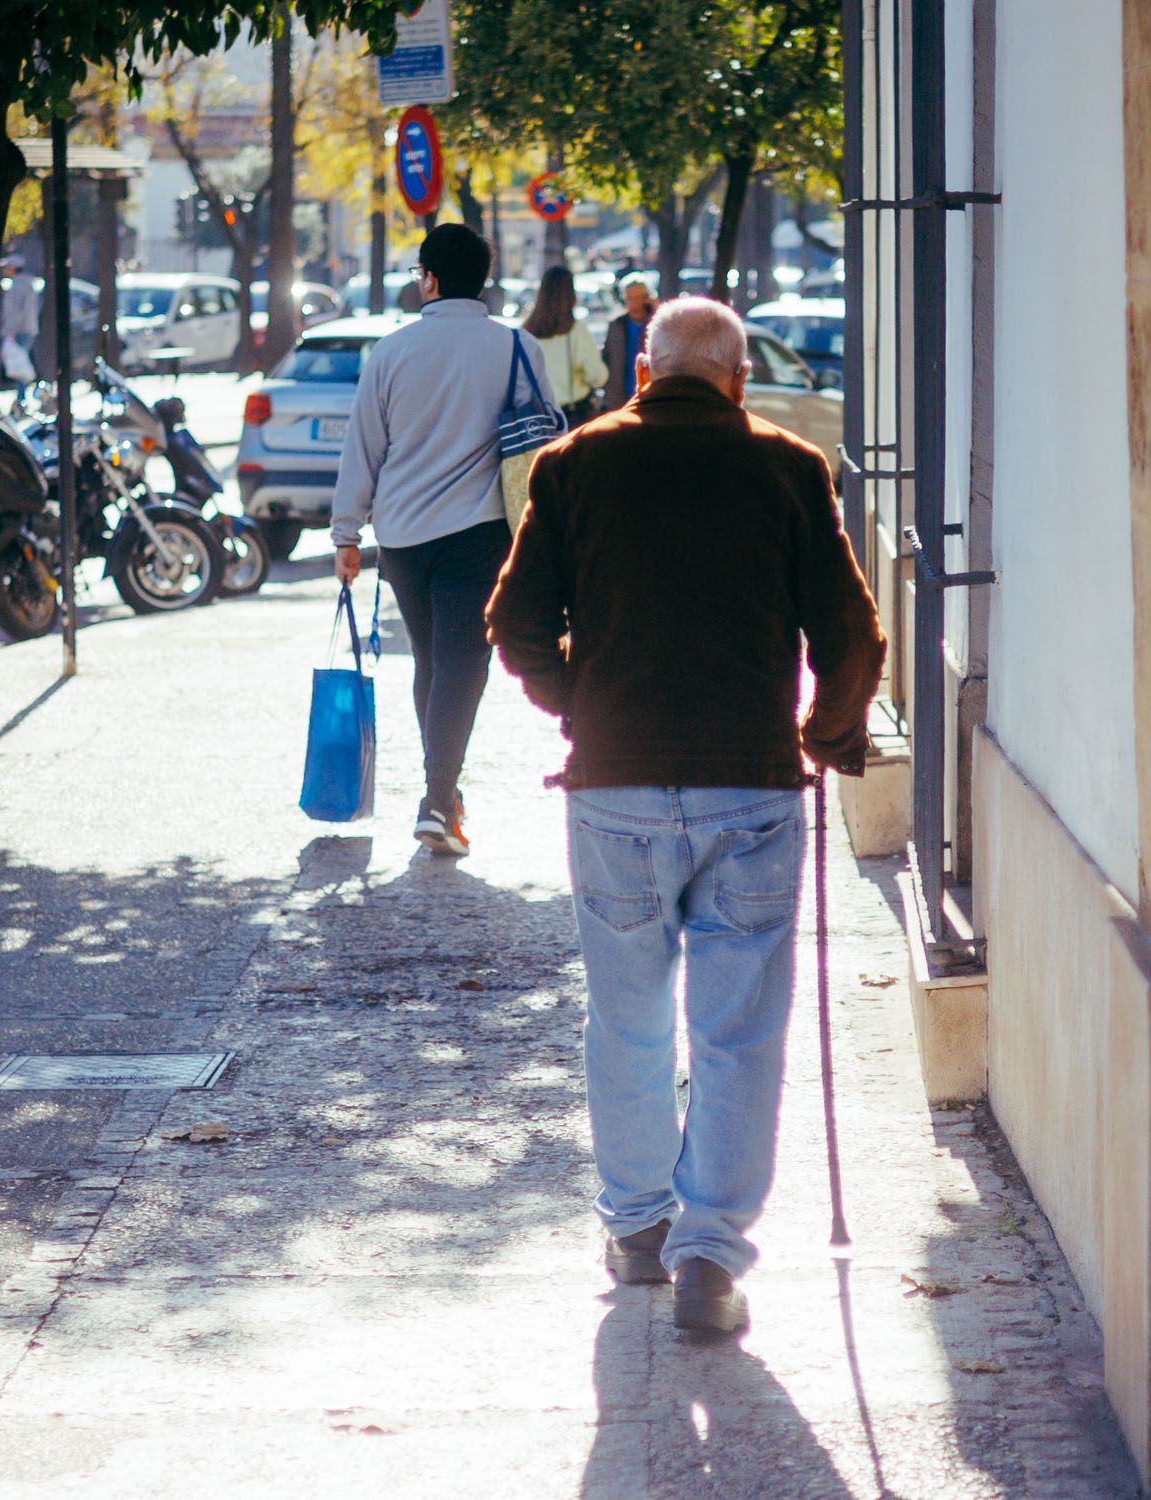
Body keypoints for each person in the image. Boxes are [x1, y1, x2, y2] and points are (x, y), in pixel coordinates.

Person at [486, 297, 885, 1335]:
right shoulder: (791, 467)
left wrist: (582, 703)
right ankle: (710, 1255)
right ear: (739, 380)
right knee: (738, 1029)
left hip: (613, 784)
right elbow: (853, 637)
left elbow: (515, 622)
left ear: (643, 375)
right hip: (750, 786)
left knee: (624, 1018)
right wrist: (829, 735)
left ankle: (638, 1226)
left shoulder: (573, 465)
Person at [330, 222, 550, 855]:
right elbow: (543, 438)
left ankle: (442, 795)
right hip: (479, 532)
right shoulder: (515, 347)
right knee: (461, 661)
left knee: (433, 658)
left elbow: (362, 447)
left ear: (428, 277)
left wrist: (348, 532)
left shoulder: (392, 352)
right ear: (483, 278)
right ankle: (436, 801)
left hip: (400, 535)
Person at [521, 265, 607, 427]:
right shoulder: (575, 331)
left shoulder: (525, 332)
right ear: (571, 294)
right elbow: (597, 376)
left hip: (535, 419)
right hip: (572, 416)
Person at [598, 274, 656, 412]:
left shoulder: (655, 324)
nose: (635, 302)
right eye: (630, 298)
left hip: (647, 397)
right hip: (618, 399)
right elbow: (606, 358)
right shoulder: (616, 325)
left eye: (639, 297)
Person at [0, 254, 40, 388]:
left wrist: (10, 332)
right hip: (27, 329)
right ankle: (21, 397)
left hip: (19, 331)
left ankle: (21, 399)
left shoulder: (17, 285)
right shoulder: (27, 283)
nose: (4, 270)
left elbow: (15, 313)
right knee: (20, 365)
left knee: (18, 367)